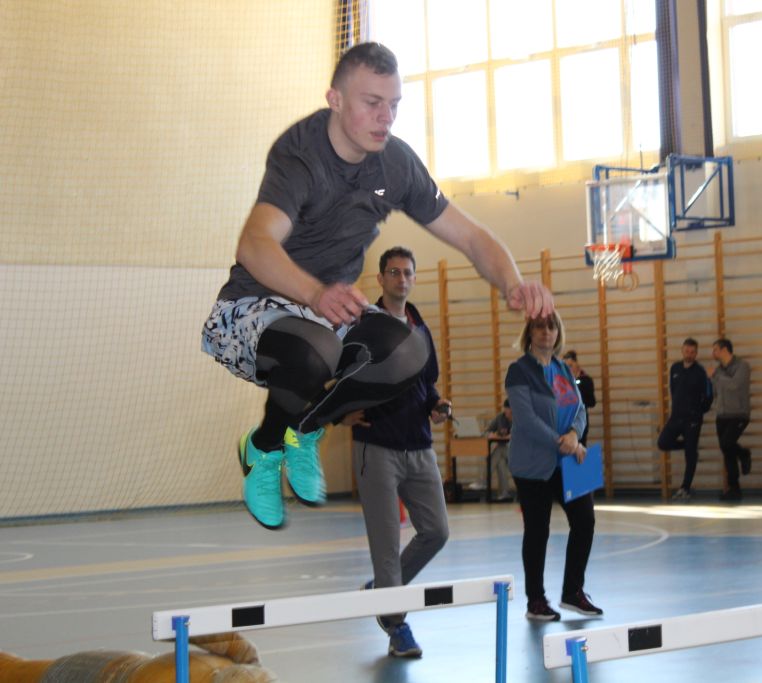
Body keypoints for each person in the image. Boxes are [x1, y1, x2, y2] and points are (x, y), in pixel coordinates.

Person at [200, 42, 554, 532]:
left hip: (325, 310)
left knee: (408, 351)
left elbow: (471, 236)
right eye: (372, 103)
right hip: (254, 306)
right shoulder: (300, 155)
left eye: (394, 105)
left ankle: (303, 430)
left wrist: (511, 282)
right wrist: (316, 294)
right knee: (319, 347)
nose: (385, 118)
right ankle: (263, 447)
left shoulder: (395, 165)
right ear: (335, 99)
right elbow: (254, 245)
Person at [344, 246, 449, 658]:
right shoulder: (364, 327)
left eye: (407, 272)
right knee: (386, 546)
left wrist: (437, 404)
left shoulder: (420, 328)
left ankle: (383, 591)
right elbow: (336, 377)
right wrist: (341, 415)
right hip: (376, 448)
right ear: (381, 279)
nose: (401, 279)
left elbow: (427, 383)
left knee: (436, 531)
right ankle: (396, 627)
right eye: (393, 272)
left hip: (419, 445)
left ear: (414, 279)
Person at [506, 312, 602, 622]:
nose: (546, 332)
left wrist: (574, 435)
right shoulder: (519, 371)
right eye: (539, 327)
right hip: (533, 464)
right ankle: (535, 600)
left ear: (558, 332)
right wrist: (560, 442)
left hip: (569, 461)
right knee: (537, 530)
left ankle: (573, 592)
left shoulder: (563, 369)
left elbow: (580, 409)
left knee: (585, 521)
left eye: (551, 326)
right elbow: (525, 418)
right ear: (529, 332)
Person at [657, 338, 713, 502]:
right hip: (676, 417)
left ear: (696, 353)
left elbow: (708, 396)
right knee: (663, 443)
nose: (689, 354)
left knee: (690, 455)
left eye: (692, 352)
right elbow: (673, 391)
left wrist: (698, 411)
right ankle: (689, 446)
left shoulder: (700, 372)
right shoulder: (675, 368)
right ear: (682, 351)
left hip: (692, 419)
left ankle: (685, 488)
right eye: (687, 351)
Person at [707, 338, 751, 502]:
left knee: (727, 444)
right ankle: (734, 489)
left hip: (738, 414)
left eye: (715, 349)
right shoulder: (719, 370)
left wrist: (715, 375)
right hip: (722, 415)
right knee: (727, 452)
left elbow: (734, 384)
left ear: (725, 350)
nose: (713, 353)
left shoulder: (742, 366)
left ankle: (744, 453)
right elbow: (717, 391)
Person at [562, 350, 596, 446]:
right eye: (565, 366)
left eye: (570, 365)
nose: (568, 369)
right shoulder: (561, 382)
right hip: (565, 422)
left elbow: (592, 402)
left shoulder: (586, 380)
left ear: (577, 364)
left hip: (580, 421)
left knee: (579, 448)